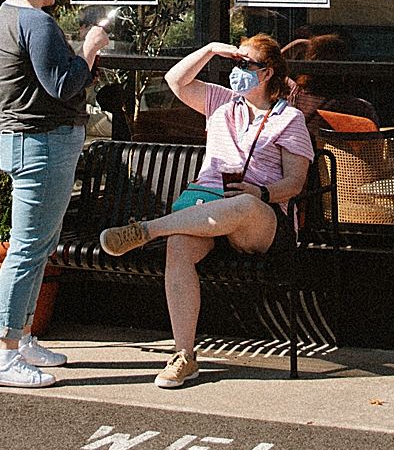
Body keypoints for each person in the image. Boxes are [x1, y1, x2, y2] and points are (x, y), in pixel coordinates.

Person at [100, 33, 314, 390]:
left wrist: (260, 191)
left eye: (246, 64)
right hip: (209, 206)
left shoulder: (288, 119)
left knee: (244, 204)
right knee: (179, 245)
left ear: (267, 73)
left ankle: (148, 229)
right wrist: (211, 49)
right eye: (235, 62)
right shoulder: (221, 101)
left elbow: (295, 182)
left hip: (261, 219)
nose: (237, 70)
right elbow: (175, 80)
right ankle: (183, 355)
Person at [0, 0, 109, 390]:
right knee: (28, 248)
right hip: (41, 143)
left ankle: (21, 337)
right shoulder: (37, 22)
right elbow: (62, 84)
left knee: (37, 245)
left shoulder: (5, 17)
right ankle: (4, 354)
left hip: (23, 141)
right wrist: (89, 47)